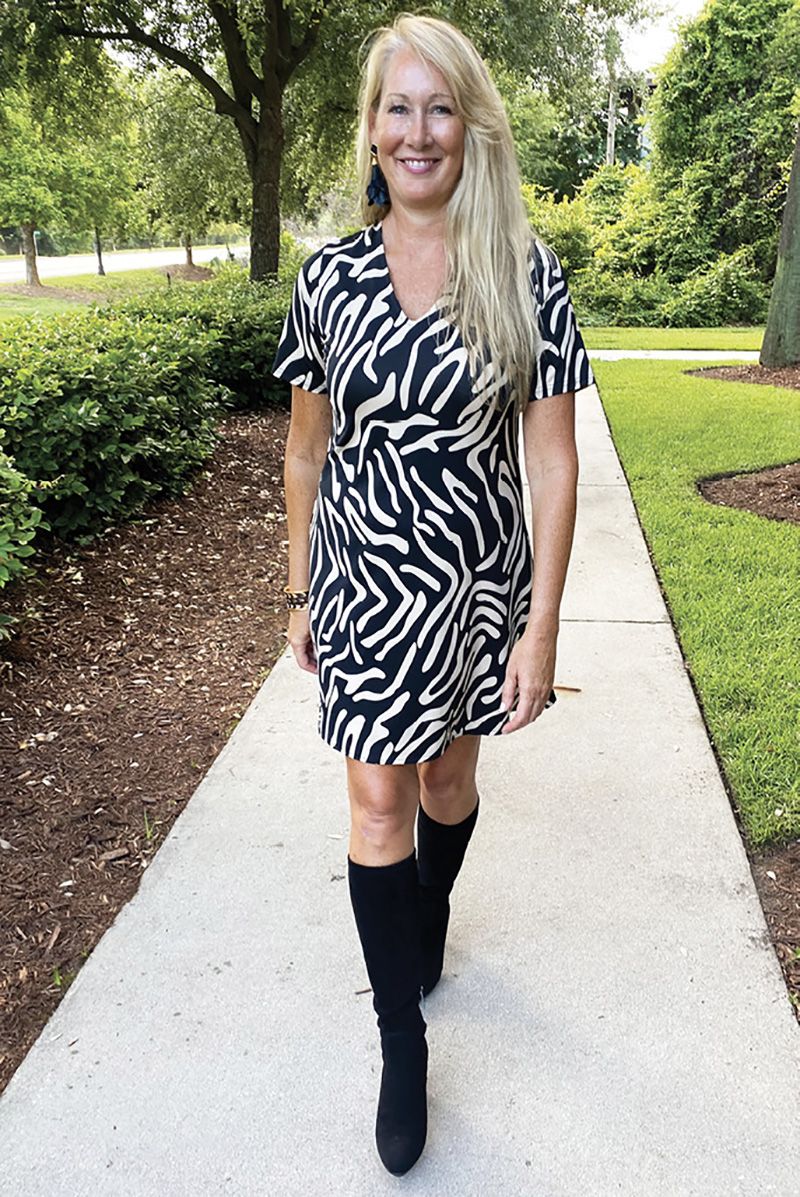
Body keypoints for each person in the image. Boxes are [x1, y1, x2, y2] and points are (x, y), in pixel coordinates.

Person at [271, 12, 595, 1178]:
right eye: (397, 108)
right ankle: (399, 1039)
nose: (417, 131)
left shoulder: (523, 273)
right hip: (362, 586)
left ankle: (432, 908)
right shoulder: (329, 279)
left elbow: (551, 461)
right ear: (370, 129)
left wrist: (539, 629)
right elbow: (305, 450)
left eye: (439, 108)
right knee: (375, 806)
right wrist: (299, 593)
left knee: (447, 784)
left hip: (472, 589)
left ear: (471, 127)